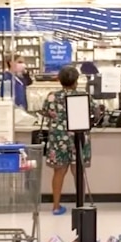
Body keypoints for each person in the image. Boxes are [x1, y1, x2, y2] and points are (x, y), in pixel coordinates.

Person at [39, 65, 83, 215]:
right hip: (77, 136)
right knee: (78, 171)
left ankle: (56, 206)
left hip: (58, 137)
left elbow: (45, 112)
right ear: (76, 81)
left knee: (59, 171)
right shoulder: (81, 96)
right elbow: (94, 112)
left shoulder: (52, 97)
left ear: (59, 80)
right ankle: (80, 205)